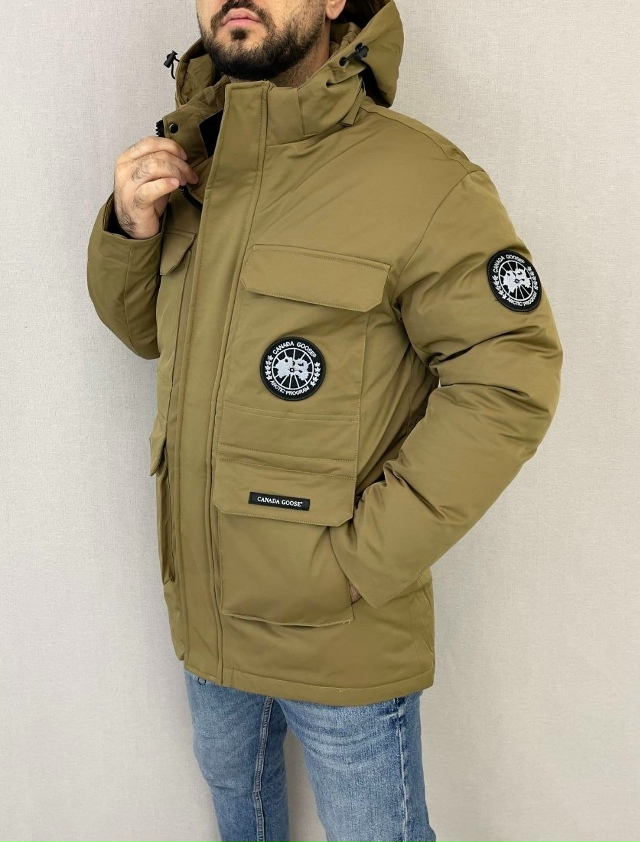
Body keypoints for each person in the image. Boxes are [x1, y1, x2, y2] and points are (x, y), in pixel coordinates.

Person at [86, 0, 563, 839]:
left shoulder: (422, 179)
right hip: (207, 615)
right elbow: (144, 334)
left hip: (339, 630)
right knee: (241, 818)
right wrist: (130, 227)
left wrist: (358, 560)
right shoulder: (195, 160)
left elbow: (509, 376)